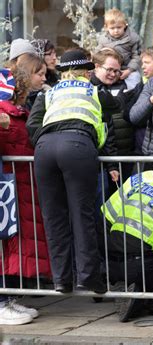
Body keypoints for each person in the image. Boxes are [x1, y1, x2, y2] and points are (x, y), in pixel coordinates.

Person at [26, 49, 119, 294]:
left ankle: (61, 279)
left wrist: (44, 142)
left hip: (45, 151)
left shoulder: (49, 93)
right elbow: (116, 106)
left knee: (53, 217)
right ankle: (88, 276)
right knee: (82, 213)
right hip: (77, 146)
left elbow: (32, 124)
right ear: (87, 72)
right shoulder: (94, 90)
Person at [101, 166, 153, 322]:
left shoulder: (139, 179)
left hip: (110, 261)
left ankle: (120, 284)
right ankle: (142, 302)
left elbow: (105, 216)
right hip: (140, 265)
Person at [0, 68, 44, 325]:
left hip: (14, 186)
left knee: (10, 245)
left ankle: (8, 298)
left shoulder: (14, 112)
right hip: (8, 184)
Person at [96, 8, 141, 89]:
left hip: (126, 69)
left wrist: (129, 70)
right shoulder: (103, 39)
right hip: (109, 71)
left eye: (119, 27)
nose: (116, 31)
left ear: (125, 25)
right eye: (112, 28)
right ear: (106, 27)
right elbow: (97, 53)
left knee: (135, 80)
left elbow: (136, 56)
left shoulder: (132, 38)